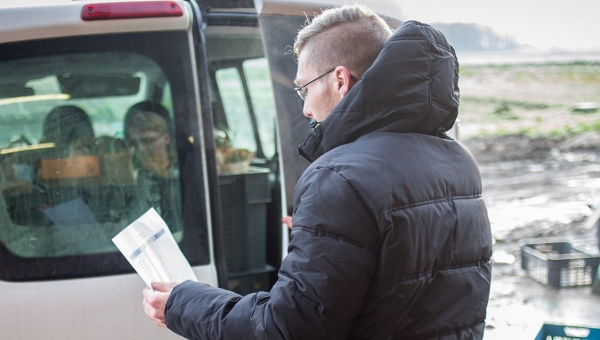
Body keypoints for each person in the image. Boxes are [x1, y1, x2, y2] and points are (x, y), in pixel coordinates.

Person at [143, 5, 492, 339]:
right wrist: (335, 233)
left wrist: (183, 303)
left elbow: (287, 329)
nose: (306, 108)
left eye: (304, 88)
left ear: (340, 80)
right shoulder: (458, 161)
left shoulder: (339, 179)